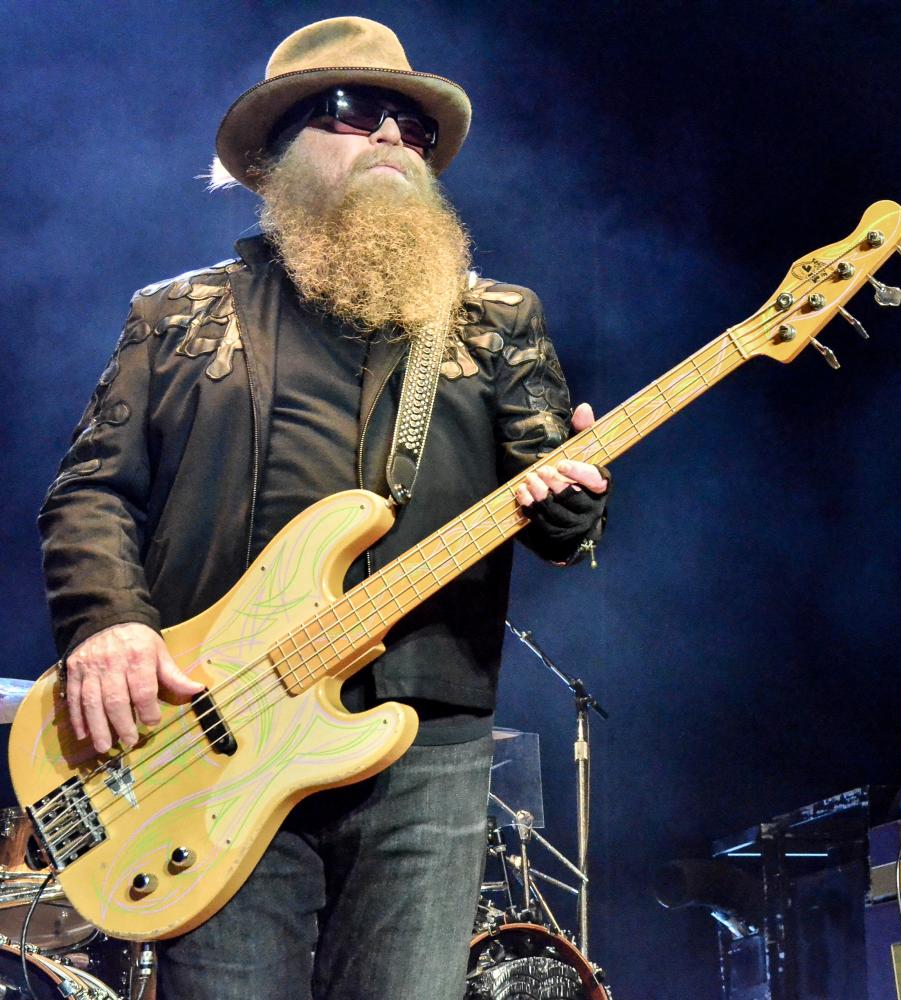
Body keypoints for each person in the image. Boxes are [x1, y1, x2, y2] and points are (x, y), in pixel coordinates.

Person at [37, 17, 608, 999]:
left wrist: (576, 494)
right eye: (354, 112)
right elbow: (91, 489)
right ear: (273, 155)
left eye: (413, 127)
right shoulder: (172, 318)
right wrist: (109, 627)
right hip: (215, 735)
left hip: (424, 743)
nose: (392, 136)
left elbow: (560, 523)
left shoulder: (496, 319)